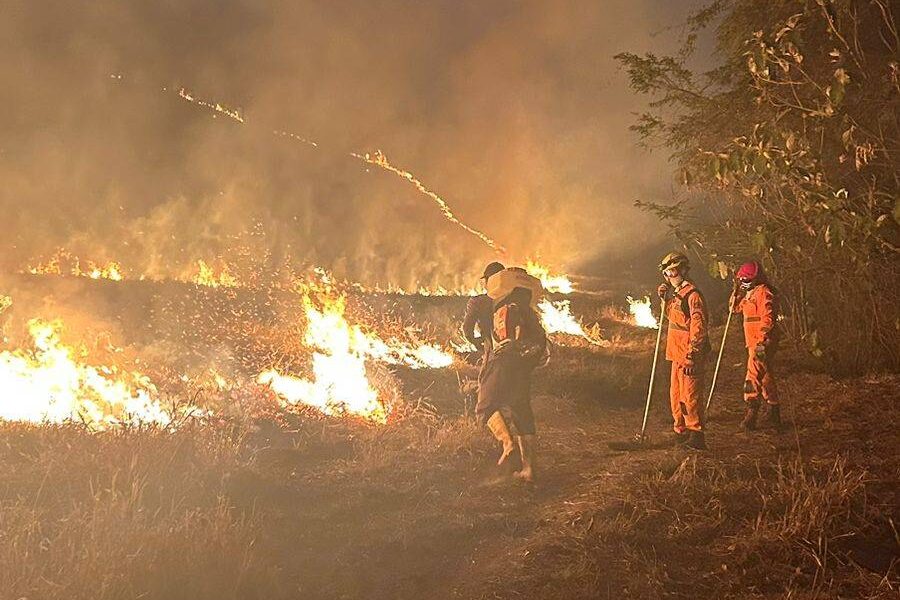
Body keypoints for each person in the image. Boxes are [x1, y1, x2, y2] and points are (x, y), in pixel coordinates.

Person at [476, 269, 547, 482]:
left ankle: (508, 445)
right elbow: (539, 342)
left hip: (502, 363)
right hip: (524, 367)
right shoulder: (529, 311)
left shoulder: (505, 307)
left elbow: (503, 338)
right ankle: (529, 469)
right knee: (521, 412)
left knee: (485, 406)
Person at [657, 252, 710, 450]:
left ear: (683, 270)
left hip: (689, 356)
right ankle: (681, 432)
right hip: (676, 354)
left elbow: (698, 327)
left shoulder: (692, 295)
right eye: (666, 272)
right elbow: (671, 317)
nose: (669, 276)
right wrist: (664, 299)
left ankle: (696, 436)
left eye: (672, 271)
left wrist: (692, 354)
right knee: (676, 395)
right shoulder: (678, 293)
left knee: (691, 397)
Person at [730, 260, 781, 431]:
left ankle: (751, 412)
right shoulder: (749, 294)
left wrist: (762, 341)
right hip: (752, 342)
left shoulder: (764, 293)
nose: (744, 282)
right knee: (765, 377)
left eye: (746, 279)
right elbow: (734, 309)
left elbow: (768, 318)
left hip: (762, 343)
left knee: (752, 376)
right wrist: (735, 291)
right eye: (742, 279)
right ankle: (774, 411)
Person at [462, 261, 506, 362]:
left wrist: (478, 343)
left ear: (489, 281)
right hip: (522, 358)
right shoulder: (519, 299)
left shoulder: (478, 302)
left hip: (494, 357)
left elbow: (467, 331)